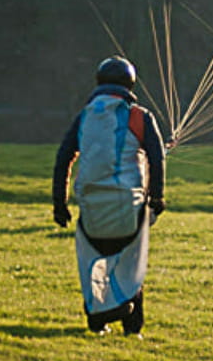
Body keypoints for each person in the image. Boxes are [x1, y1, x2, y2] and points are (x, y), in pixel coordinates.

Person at [52, 56, 166, 335]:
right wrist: (157, 198)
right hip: (129, 207)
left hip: (90, 208)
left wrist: (60, 203)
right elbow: (156, 157)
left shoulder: (85, 117)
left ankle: (97, 318)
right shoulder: (139, 116)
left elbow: (64, 157)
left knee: (97, 257)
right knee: (129, 263)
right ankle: (131, 325)